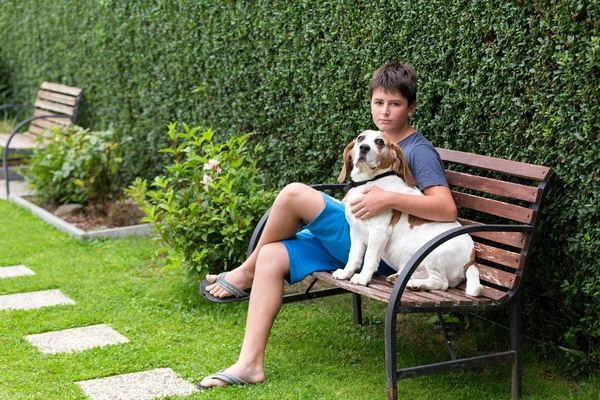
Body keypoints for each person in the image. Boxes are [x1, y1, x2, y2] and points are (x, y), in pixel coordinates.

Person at [197, 62, 457, 389]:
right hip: (351, 239)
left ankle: (244, 271)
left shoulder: (417, 151)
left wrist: (386, 199)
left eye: (395, 104)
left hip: (379, 253)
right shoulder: (370, 142)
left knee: (294, 193)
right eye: (379, 103)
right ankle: (249, 364)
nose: (385, 112)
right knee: (272, 256)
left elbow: (446, 208)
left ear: (411, 107)